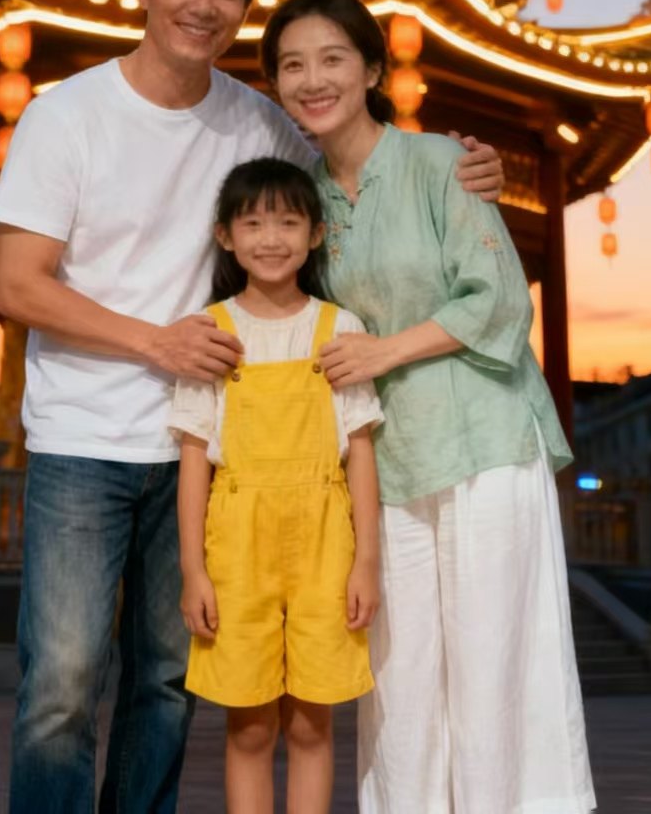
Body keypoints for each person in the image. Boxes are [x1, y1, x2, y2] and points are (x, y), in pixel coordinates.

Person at [0, 0, 504, 814]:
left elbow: (351, 170)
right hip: (85, 437)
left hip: (211, 458)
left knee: (166, 681)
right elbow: (18, 287)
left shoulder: (259, 124)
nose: (205, 4)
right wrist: (155, 340)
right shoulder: (64, 116)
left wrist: (452, 168)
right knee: (62, 684)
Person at [261, 0, 597, 814]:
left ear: (373, 70)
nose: (313, 80)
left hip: (483, 438)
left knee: (493, 658)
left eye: (333, 59)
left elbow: (498, 300)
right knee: (398, 671)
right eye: (293, 65)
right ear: (275, 85)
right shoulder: (301, 200)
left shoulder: (443, 163)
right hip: (384, 456)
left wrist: (384, 351)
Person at [171, 158, 382, 814]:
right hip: (237, 543)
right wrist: (193, 570)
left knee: (313, 724)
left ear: (315, 234)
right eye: (253, 223)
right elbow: (194, 459)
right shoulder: (211, 331)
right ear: (225, 236)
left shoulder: (340, 328)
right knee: (251, 726)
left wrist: (367, 562)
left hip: (325, 540)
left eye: (288, 223)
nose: (271, 239)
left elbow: (361, 451)